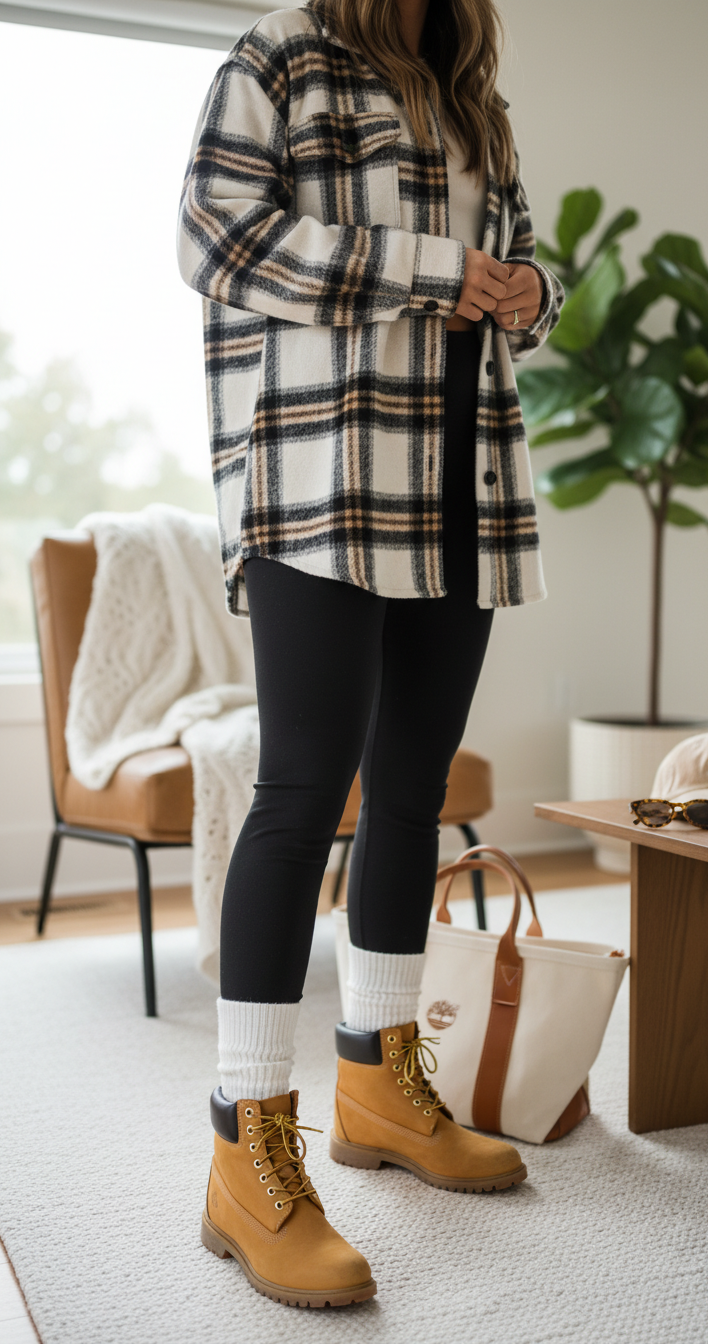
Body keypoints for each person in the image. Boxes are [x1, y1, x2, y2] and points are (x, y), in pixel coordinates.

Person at [178, 0, 563, 1308]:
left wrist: (525, 289)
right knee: (301, 799)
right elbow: (216, 241)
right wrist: (431, 271)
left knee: (412, 792)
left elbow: (515, 258)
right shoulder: (277, 55)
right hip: (321, 477)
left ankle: (378, 1084)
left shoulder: (468, 84)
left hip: (461, 475)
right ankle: (246, 1150)